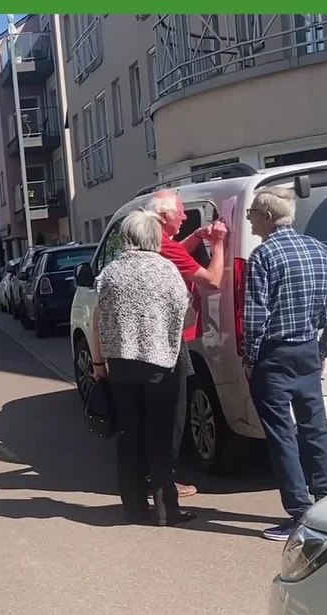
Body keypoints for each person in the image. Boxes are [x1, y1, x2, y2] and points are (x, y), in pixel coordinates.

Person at [241, 187, 327, 542]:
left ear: (267, 217)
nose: (250, 220)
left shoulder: (263, 256)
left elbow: (255, 317)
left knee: (282, 434)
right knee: (315, 426)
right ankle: (326, 500)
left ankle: (300, 512)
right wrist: (322, 348)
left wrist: (249, 360)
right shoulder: (318, 249)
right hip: (306, 349)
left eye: (252, 213)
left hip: (274, 354)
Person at [89, 210, 200, 527]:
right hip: (160, 364)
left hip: (121, 365)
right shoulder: (166, 270)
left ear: (126, 237)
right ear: (154, 237)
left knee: (129, 435)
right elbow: (188, 319)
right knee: (160, 437)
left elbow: (98, 321)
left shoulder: (110, 274)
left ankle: (134, 507)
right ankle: (166, 510)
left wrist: (98, 364)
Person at [144, 190, 228, 498]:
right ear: (164, 216)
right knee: (173, 410)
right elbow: (213, 280)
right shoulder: (162, 244)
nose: (184, 217)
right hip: (167, 337)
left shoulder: (153, 242)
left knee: (154, 410)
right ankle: (164, 482)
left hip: (148, 338)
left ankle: (152, 477)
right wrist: (218, 243)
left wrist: (196, 236)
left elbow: (176, 253)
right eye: (180, 213)